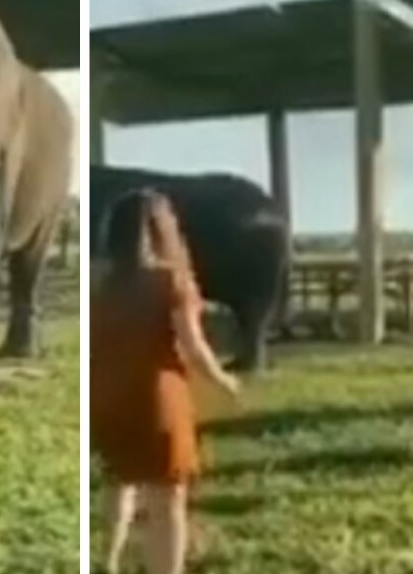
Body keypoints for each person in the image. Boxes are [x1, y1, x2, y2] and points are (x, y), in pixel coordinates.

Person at [90, 188, 240, 574]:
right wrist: (224, 380)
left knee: (118, 479)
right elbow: (192, 345)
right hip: (158, 400)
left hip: (110, 400)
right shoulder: (170, 281)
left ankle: (108, 560)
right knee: (167, 501)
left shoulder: (102, 284)